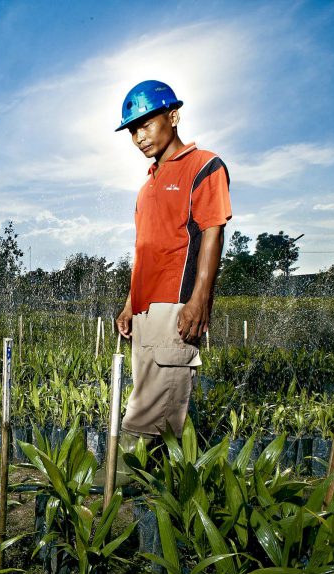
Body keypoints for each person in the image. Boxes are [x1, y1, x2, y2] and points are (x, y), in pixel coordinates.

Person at [113, 80, 231, 451]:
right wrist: (132, 303)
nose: (139, 137)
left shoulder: (203, 165)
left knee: (150, 417)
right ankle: (152, 495)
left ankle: (130, 487)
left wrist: (199, 300)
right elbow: (145, 249)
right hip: (147, 311)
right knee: (150, 399)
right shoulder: (146, 187)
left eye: (146, 124)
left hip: (176, 306)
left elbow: (212, 233)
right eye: (133, 130)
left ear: (174, 116)